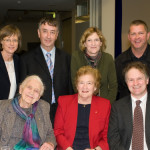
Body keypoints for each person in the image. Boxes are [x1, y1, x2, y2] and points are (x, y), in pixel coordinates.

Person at [19, 17, 73, 126]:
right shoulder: (26, 59)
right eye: (45, 31)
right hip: (36, 112)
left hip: (62, 112)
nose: (48, 36)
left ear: (56, 35)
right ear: (39, 33)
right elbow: (21, 90)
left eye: (52, 32)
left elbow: (70, 87)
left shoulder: (67, 58)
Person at [54, 66, 111, 150]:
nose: (85, 87)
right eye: (81, 83)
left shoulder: (104, 105)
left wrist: (96, 149)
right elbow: (58, 131)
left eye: (89, 83)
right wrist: (68, 148)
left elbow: (106, 135)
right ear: (77, 85)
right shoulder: (64, 102)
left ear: (95, 87)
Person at [0, 75, 56, 150]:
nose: (32, 92)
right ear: (20, 89)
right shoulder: (3, 106)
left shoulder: (43, 107)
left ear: (38, 97)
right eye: (29, 87)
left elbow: (50, 133)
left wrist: (50, 143)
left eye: (36, 91)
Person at [108, 61, 150, 150]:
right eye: (131, 80)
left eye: (139, 79)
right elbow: (113, 139)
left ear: (147, 80)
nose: (135, 83)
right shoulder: (117, 107)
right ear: (126, 83)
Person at [71, 27, 117, 103]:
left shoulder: (108, 58)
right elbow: (74, 83)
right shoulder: (76, 57)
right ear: (84, 43)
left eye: (96, 40)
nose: (93, 44)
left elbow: (113, 86)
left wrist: (107, 104)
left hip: (104, 102)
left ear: (101, 43)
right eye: (89, 40)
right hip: (82, 102)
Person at [115, 19, 150, 99]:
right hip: (127, 108)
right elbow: (118, 90)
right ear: (129, 37)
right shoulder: (119, 61)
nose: (137, 37)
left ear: (148, 35)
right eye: (133, 34)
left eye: (140, 33)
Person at [0, 24, 21, 100]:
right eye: (8, 40)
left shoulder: (18, 60)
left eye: (15, 40)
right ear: (1, 41)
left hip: (11, 108)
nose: (12, 44)